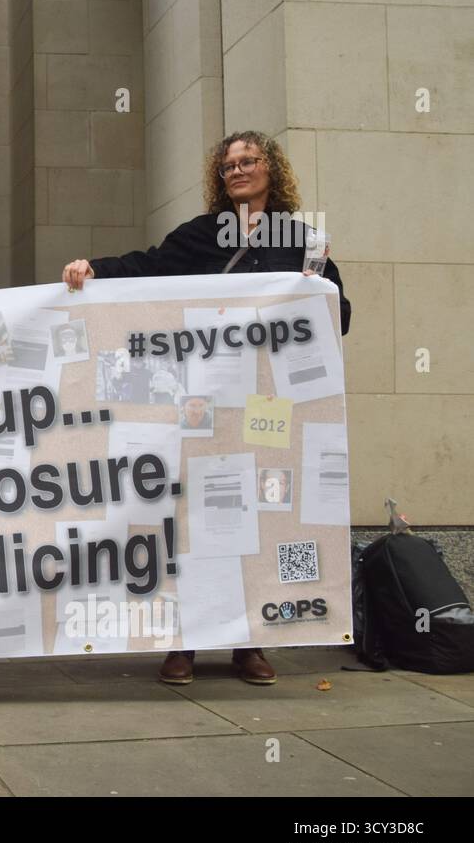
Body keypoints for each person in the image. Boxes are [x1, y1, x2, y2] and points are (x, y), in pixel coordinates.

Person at [61, 129, 352, 687]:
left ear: (273, 168)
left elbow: (340, 321)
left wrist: (322, 287)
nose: (238, 171)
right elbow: (148, 266)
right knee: (192, 520)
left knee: (264, 521)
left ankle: (250, 643)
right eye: (228, 166)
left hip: (269, 410)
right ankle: (185, 642)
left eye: (249, 160)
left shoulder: (303, 238)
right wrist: (92, 269)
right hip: (204, 408)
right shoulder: (201, 236)